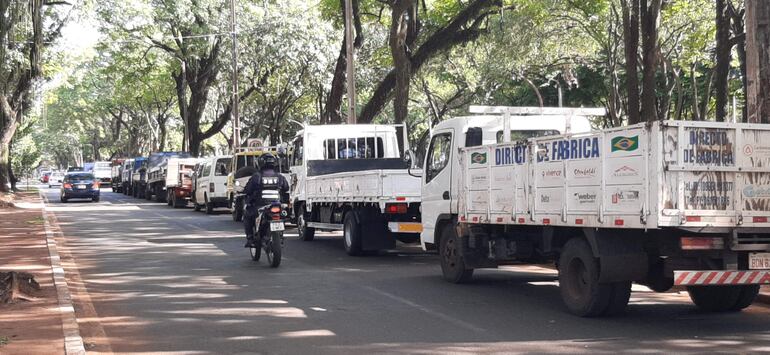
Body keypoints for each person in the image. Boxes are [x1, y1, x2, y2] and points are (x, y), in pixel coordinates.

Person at [243, 152, 289, 247]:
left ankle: (250, 238)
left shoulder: (257, 176)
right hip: (276, 205)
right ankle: (280, 235)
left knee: (247, 215)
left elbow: (248, 189)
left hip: (260, 206)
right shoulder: (280, 177)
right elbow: (286, 188)